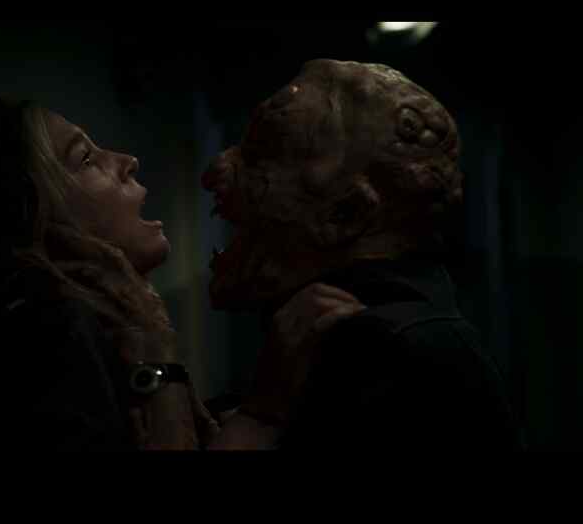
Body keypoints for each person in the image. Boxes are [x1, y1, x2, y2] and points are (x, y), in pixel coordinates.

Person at [0, 95, 357, 450]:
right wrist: (262, 413)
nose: (127, 161)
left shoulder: (93, 328)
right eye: (85, 158)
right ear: (28, 213)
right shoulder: (43, 333)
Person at [202, 60, 524, 449]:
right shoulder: (343, 335)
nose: (213, 171)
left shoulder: (387, 354)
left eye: (264, 151)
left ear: (347, 214)